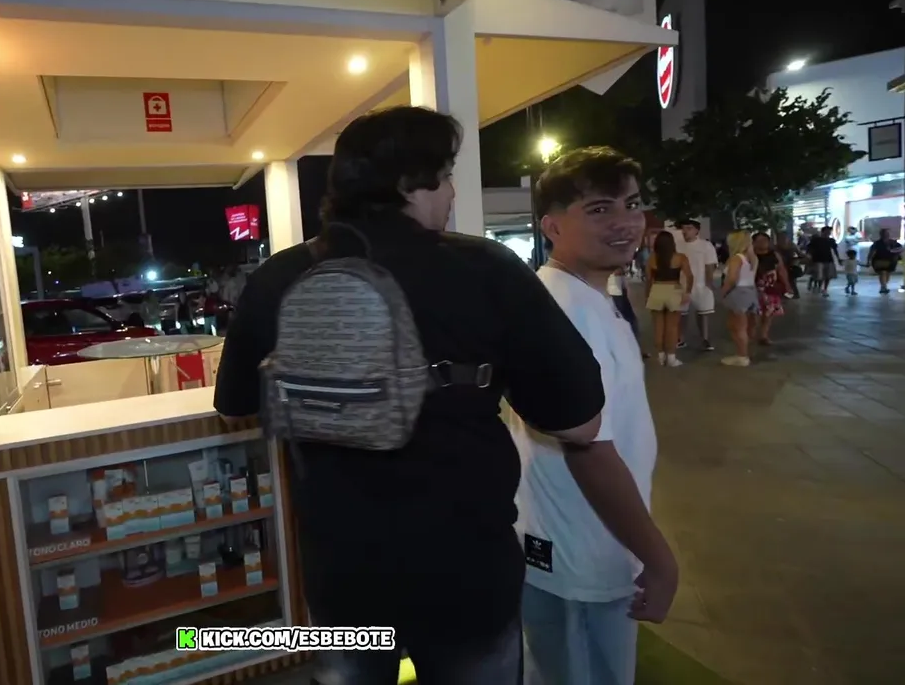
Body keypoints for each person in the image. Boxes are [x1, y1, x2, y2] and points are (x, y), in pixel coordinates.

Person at [213, 106, 611, 684]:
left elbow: (234, 404)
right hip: (466, 569)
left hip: (341, 571)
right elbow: (580, 421)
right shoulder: (485, 268)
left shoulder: (281, 276)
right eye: (444, 176)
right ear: (408, 184)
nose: (451, 193)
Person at [514, 147, 678, 685]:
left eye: (632, 204)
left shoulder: (588, 296)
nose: (626, 222)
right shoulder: (562, 310)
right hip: (577, 551)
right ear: (552, 226)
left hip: (591, 544)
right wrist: (659, 559)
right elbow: (589, 450)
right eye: (600, 209)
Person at [644, 231, 693, 366]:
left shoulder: (652, 258)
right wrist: (687, 292)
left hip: (656, 290)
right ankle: (671, 358)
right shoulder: (680, 257)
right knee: (672, 327)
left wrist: (647, 295)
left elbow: (648, 279)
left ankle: (660, 357)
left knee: (658, 327)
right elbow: (690, 276)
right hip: (673, 290)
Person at [675, 220, 717, 351]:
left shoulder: (706, 246)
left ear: (696, 231)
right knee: (681, 313)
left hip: (700, 284)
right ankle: (681, 339)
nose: (685, 231)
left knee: (703, 313)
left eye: (689, 228)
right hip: (681, 285)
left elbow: (710, 265)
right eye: (683, 228)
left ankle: (705, 339)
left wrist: (709, 283)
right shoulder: (678, 246)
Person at [720, 231, 759, 367]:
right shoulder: (752, 258)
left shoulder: (736, 258)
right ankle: (743, 354)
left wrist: (723, 292)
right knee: (741, 326)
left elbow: (732, 279)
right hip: (749, 291)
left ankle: (742, 356)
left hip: (738, 293)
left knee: (738, 327)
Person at [751, 232, 792, 345]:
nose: (762, 243)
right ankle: (752, 334)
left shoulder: (774, 255)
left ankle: (764, 335)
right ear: (753, 242)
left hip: (771, 288)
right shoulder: (750, 255)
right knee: (754, 313)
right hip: (754, 288)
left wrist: (787, 284)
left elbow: (781, 270)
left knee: (769, 313)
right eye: (759, 241)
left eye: (765, 240)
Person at [805, 226, 839, 297]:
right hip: (818, 260)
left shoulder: (831, 240)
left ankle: (824, 289)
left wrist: (838, 258)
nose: (828, 233)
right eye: (827, 231)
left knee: (828, 276)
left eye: (829, 232)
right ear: (823, 232)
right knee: (819, 276)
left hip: (828, 259)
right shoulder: (816, 240)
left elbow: (835, 249)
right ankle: (816, 284)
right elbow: (810, 248)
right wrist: (809, 257)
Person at [868, 228, 903, 294]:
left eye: (887, 233)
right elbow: (872, 252)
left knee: (887, 274)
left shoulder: (892, 242)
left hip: (890, 261)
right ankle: (883, 286)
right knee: (883, 272)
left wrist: (894, 251)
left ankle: (883, 286)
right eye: (885, 233)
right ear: (881, 234)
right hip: (879, 261)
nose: (886, 235)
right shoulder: (877, 243)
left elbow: (900, 248)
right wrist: (869, 260)